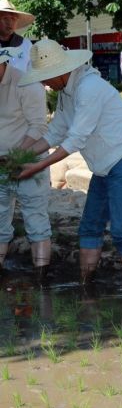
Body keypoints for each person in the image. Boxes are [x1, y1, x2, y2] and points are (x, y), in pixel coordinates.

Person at [17, 39, 122, 293]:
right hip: (103, 167)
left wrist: (34, 167)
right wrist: (20, 156)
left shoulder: (89, 88)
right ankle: (86, 287)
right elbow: (56, 132)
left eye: (45, 78)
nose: (44, 84)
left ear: (60, 72)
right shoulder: (66, 91)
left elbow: (75, 139)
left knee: (121, 229)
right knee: (89, 227)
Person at [0, 47, 51, 283]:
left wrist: (17, 157)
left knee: (36, 221)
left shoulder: (27, 85)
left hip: (30, 163)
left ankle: (42, 280)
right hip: (1, 165)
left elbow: (39, 127)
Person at [0, 0, 34, 72]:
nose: (9, 22)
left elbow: (32, 71)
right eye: (5, 18)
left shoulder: (26, 44)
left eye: (13, 19)